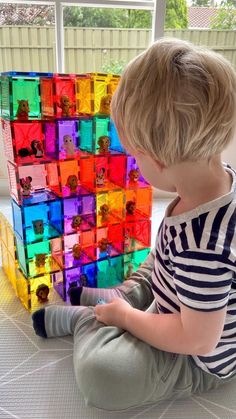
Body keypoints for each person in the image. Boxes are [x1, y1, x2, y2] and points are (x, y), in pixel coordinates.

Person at [32, 38, 236, 411]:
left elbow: (197, 340)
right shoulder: (216, 182)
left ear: (158, 160)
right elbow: (173, 262)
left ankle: (91, 319)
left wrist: (126, 319)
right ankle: (124, 295)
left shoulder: (204, 247)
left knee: (106, 376)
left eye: (134, 155)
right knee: (157, 259)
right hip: (181, 295)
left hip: (196, 353)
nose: (134, 165)